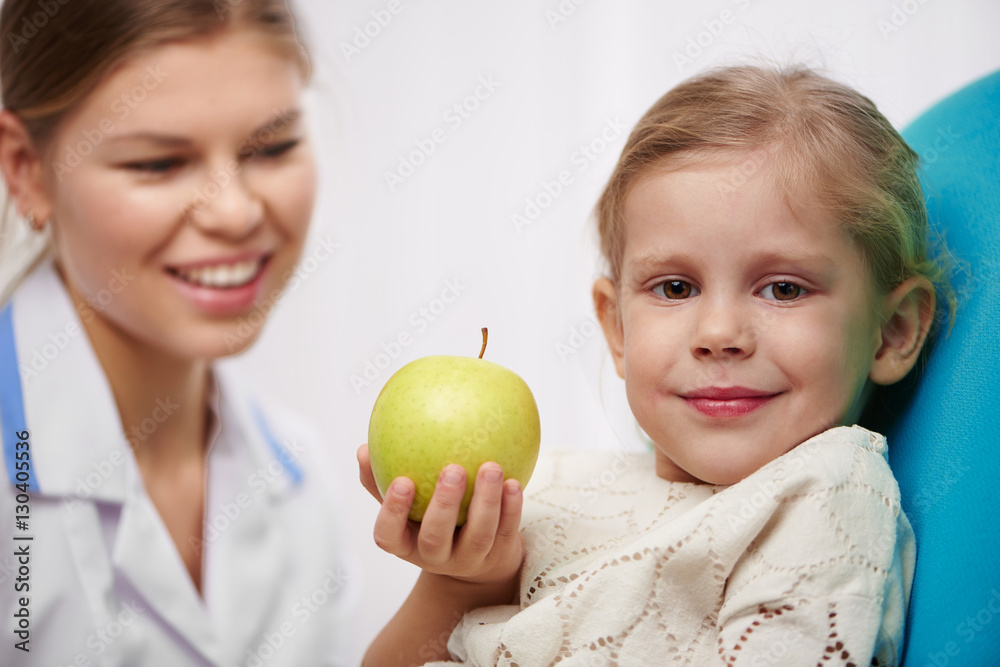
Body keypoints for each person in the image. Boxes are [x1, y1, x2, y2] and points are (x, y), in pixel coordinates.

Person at [357, 64, 955, 665]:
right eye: (674, 288)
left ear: (892, 332)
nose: (719, 334)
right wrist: (464, 581)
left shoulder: (825, 492)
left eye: (783, 289)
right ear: (616, 327)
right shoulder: (549, 489)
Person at [0, 1, 357, 664]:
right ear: (25, 168)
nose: (235, 211)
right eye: (158, 164)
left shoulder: (301, 471)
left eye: (273, 147)